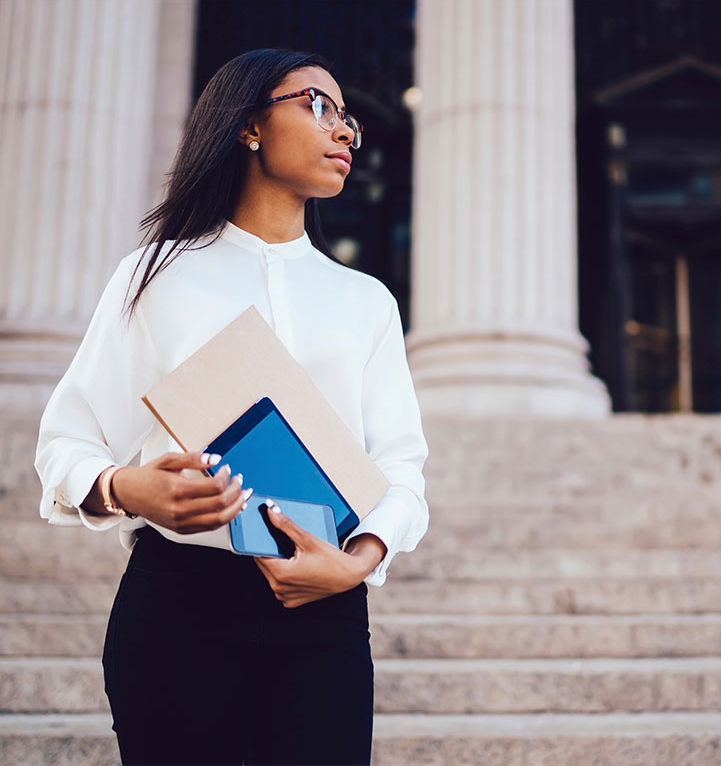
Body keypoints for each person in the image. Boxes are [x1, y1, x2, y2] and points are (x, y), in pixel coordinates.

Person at [33, 49, 429, 765]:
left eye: (349, 120)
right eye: (318, 104)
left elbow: (401, 468)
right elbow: (66, 441)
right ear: (249, 125)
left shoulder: (366, 302)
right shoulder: (156, 275)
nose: (342, 131)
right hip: (177, 602)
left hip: (324, 608)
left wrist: (359, 562)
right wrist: (129, 489)